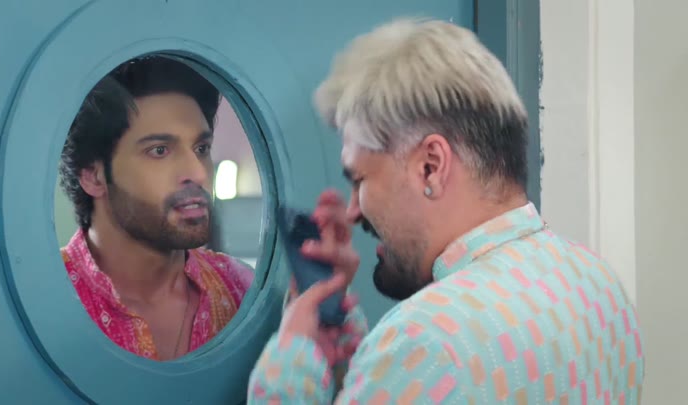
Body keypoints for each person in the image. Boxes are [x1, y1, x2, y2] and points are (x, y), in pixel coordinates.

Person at [248, 18, 645, 403]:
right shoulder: (598, 284)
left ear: (431, 166)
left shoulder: (425, 346)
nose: (352, 211)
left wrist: (290, 369)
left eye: (359, 179)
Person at [58, 55, 253, 361]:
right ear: (94, 176)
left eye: (201, 148)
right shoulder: (46, 299)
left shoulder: (241, 289)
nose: (199, 173)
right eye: (160, 150)